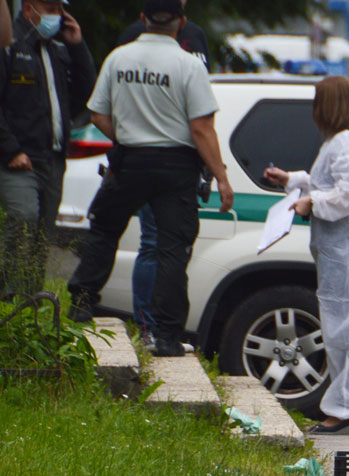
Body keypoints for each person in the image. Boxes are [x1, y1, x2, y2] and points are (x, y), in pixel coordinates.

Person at [66, 0, 232, 358]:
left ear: (143, 19)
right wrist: (221, 176)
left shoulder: (118, 59)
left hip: (129, 161)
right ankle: (167, 337)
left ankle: (81, 303)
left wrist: (127, 134)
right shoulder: (188, 64)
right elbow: (201, 128)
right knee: (173, 250)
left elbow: (97, 114)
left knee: (105, 230)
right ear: (181, 23)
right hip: (176, 166)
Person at [263, 76, 349, 435]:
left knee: (345, 332)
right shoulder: (342, 142)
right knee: (342, 330)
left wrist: (311, 201)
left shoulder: (344, 142)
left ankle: (345, 410)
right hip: (338, 252)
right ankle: (347, 407)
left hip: (343, 252)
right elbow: (330, 182)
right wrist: (294, 180)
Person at [117, 0, 210, 348]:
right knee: (154, 243)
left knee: (175, 246)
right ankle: (148, 328)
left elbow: (202, 101)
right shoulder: (132, 39)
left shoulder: (195, 37)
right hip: (148, 155)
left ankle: (165, 329)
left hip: (185, 159)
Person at [0, 0, 95, 295]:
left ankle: (28, 308)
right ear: (29, 9)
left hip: (52, 159)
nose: (56, 15)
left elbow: (88, 94)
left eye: (59, 8)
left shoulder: (59, 49)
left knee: (43, 235)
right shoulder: (10, 45)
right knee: (24, 218)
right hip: (17, 159)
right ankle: (6, 298)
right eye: (50, 7)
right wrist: (11, 149)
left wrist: (78, 47)